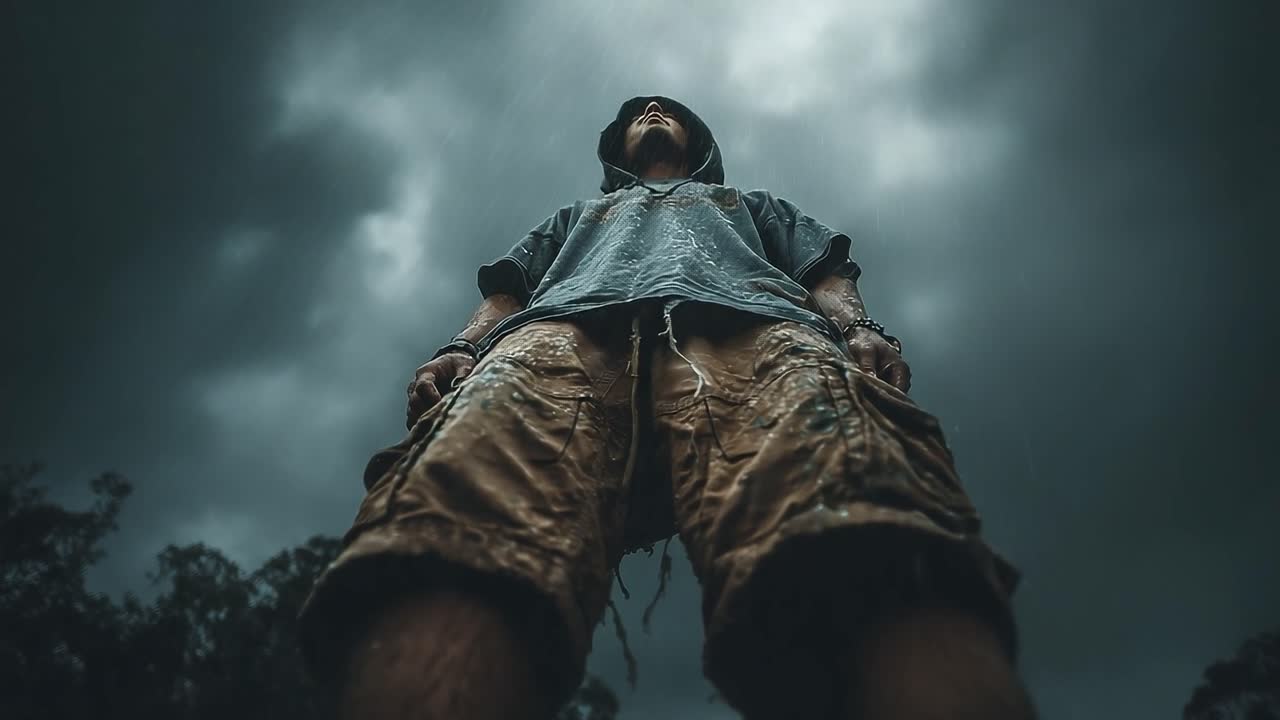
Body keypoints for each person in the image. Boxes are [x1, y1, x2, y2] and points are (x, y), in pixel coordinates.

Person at [299, 96, 1037, 720]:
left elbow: (825, 272)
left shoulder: (749, 205)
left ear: (699, 144)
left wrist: (858, 327)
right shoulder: (577, 215)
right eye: (639, 112)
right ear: (616, 148)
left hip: (753, 328)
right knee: (466, 509)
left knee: (855, 504)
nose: (653, 111)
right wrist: (461, 347)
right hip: (560, 338)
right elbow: (508, 292)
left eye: (669, 110)